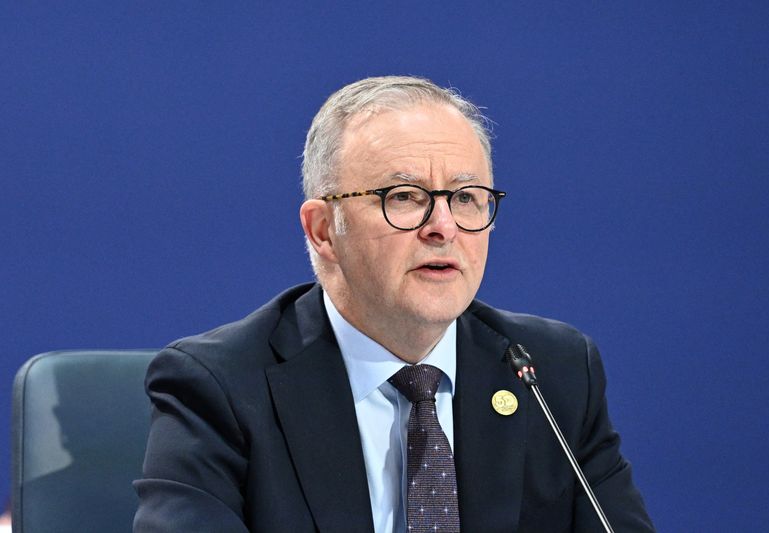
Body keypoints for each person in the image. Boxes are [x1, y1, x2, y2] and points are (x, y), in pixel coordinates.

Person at [134, 76, 655, 532]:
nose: (444, 227)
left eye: (467, 196)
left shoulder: (552, 371)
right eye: (403, 196)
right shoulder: (218, 388)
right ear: (322, 231)